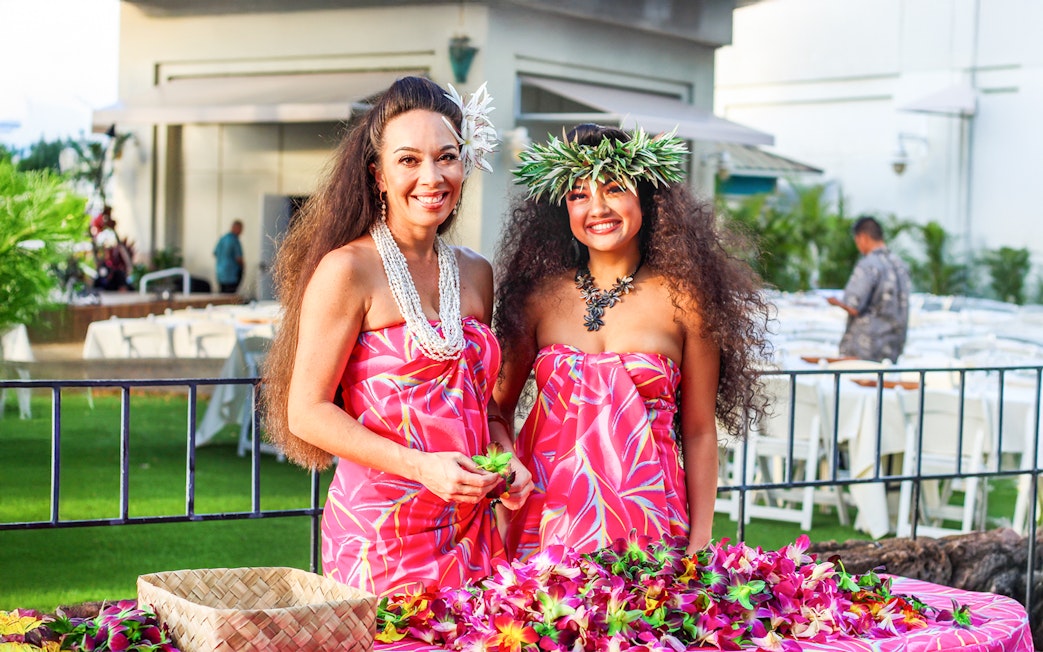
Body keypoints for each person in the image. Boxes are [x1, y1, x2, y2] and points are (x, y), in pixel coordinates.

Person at [261, 76, 532, 597]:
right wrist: (420, 466)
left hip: (470, 526)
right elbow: (307, 411)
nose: (431, 176)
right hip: (381, 533)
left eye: (446, 156)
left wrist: (506, 457)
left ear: (464, 164)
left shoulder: (476, 273)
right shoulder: (348, 271)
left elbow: (482, 405)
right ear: (378, 175)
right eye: (408, 160)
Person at [494, 123, 771, 561]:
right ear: (561, 209)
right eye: (578, 194)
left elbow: (698, 432)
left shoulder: (685, 300)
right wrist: (506, 468)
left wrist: (700, 542)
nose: (597, 207)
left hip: (651, 528)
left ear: (645, 194)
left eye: (614, 187)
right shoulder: (538, 298)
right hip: (545, 529)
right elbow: (497, 410)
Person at [826, 215, 911, 363]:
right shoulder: (900, 265)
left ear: (863, 237)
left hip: (865, 348)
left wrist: (834, 302)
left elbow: (853, 306)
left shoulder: (868, 264)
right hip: (893, 347)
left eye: (857, 241)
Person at [213, 219, 244, 293]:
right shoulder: (234, 240)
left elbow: (215, 253)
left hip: (220, 273)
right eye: (240, 229)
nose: (241, 232)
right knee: (230, 297)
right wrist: (243, 267)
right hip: (231, 275)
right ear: (236, 228)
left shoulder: (222, 238)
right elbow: (239, 258)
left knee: (222, 295)